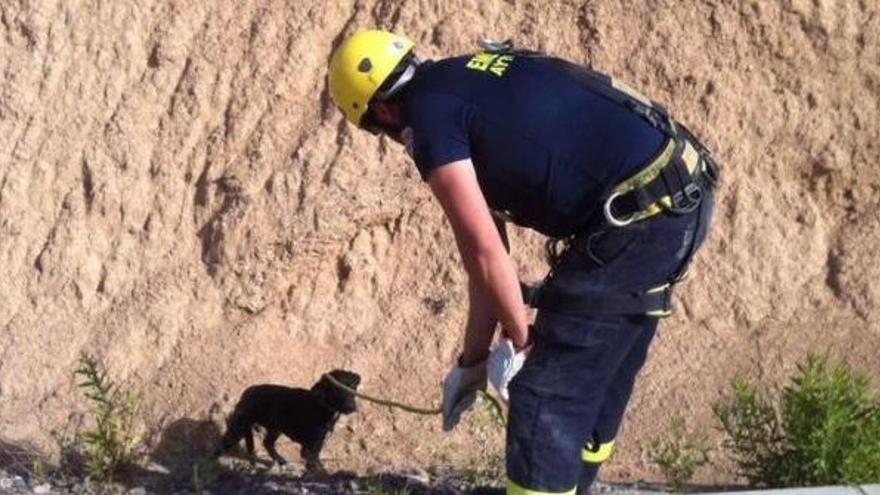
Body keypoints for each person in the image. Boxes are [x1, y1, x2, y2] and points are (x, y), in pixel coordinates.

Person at [328, 30, 718, 495]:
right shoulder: (466, 79)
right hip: (675, 196)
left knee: (543, 398)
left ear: (384, 112)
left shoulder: (427, 121)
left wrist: (521, 341)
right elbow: (488, 257)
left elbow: (485, 253)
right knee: (590, 379)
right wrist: (471, 363)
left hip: (641, 219)